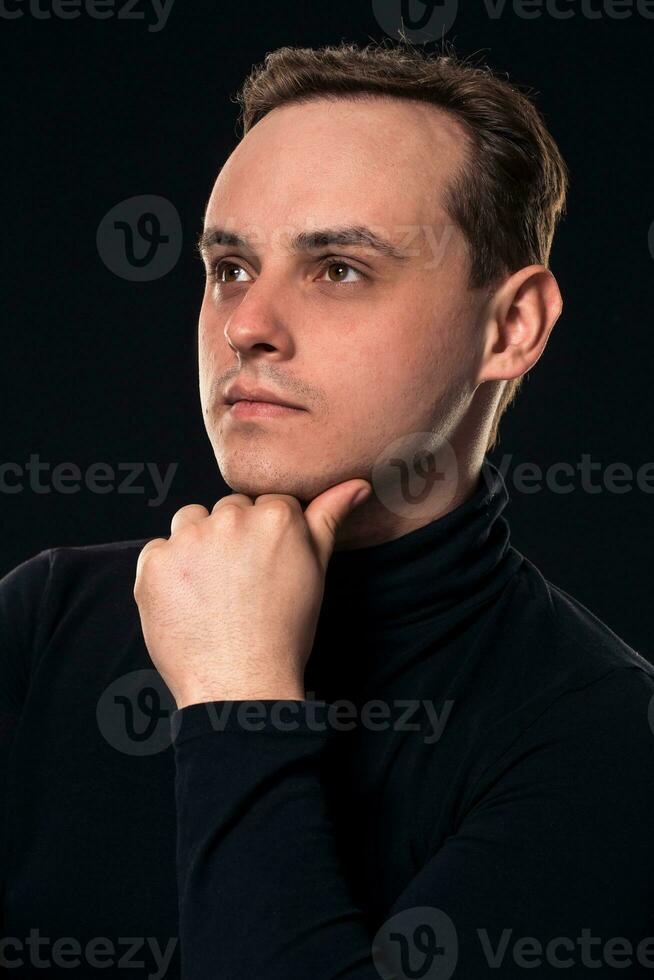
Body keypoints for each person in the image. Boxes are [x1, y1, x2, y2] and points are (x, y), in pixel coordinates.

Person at [2, 39, 654, 979]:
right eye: (229, 266)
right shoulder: (50, 616)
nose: (245, 325)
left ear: (511, 328)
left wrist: (237, 695)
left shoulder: (601, 738)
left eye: (338, 268)